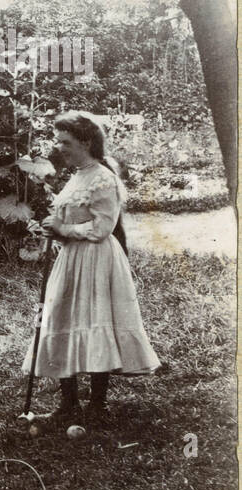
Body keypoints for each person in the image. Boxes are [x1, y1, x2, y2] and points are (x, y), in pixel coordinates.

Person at [31, 111, 160, 422]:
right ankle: (68, 404)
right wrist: (51, 227)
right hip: (72, 257)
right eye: (58, 141)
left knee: (95, 320)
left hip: (96, 258)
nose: (59, 147)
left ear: (86, 142)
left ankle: (97, 404)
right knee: (62, 318)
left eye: (66, 142)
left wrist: (64, 230)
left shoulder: (103, 178)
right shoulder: (77, 175)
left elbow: (103, 228)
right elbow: (70, 218)